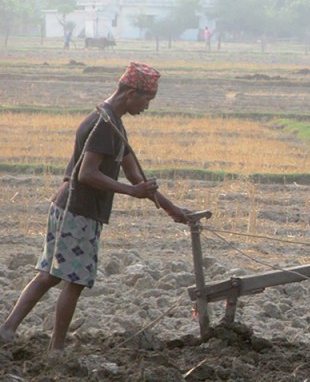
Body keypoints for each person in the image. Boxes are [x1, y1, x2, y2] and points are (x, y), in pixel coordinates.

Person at [0, 62, 190, 352]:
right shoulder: (104, 125)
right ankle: (57, 347)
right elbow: (86, 173)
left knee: (50, 275)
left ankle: (8, 330)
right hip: (78, 209)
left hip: (69, 207)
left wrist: (172, 209)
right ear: (130, 93)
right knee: (74, 280)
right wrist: (131, 192)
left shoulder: (112, 122)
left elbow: (135, 175)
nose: (147, 107)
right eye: (146, 100)